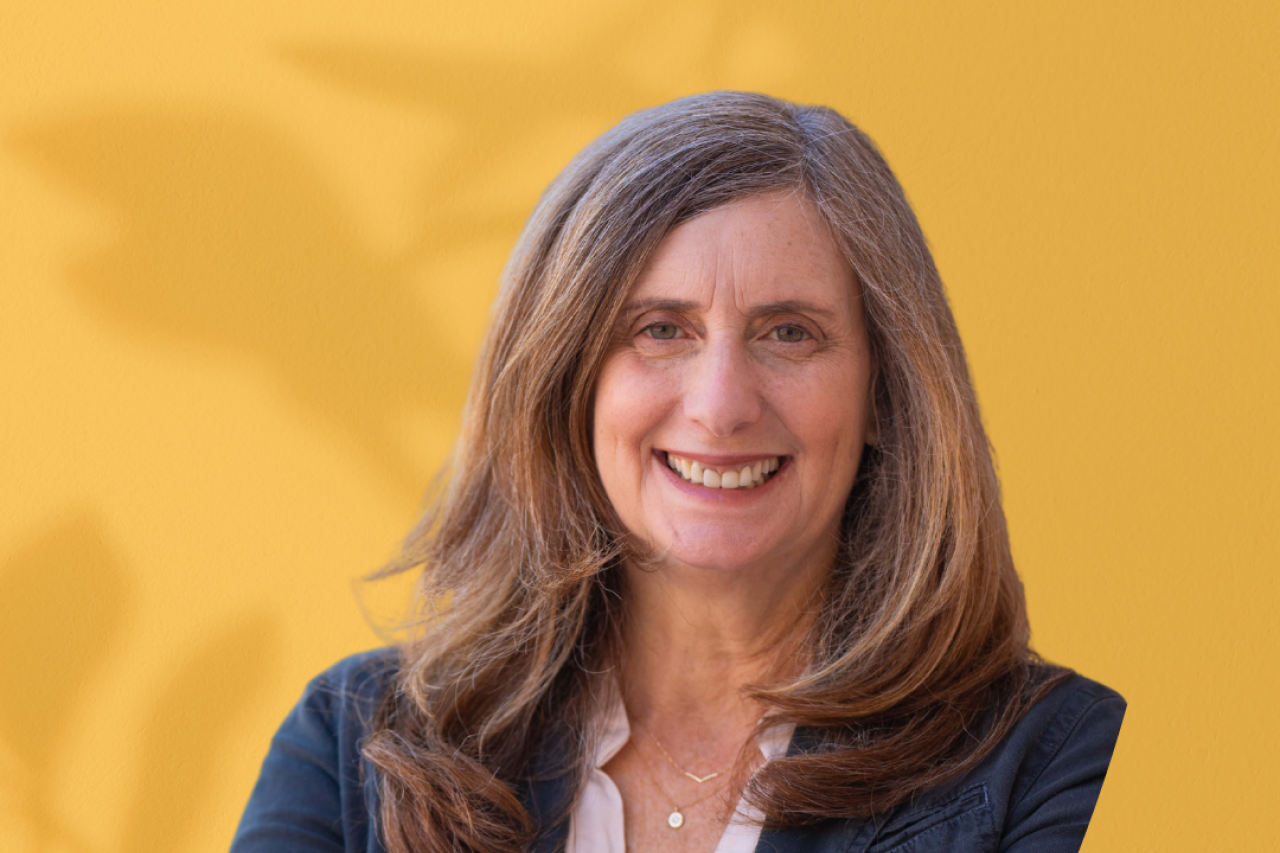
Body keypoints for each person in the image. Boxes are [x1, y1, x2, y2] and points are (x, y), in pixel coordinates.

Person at [230, 91, 1124, 853]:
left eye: (790, 332)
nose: (721, 404)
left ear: (886, 392)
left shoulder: (1056, 764)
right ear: (567, 381)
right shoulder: (354, 748)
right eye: (660, 329)